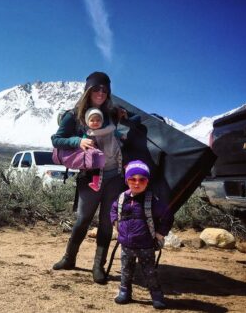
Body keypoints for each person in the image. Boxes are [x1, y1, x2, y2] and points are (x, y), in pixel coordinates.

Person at [51, 71, 126, 284]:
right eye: (96, 88)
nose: (101, 93)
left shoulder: (112, 113)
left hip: (114, 176)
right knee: (83, 218)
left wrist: (126, 116)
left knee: (105, 221)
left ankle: (98, 266)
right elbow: (56, 139)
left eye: (105, 89)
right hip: (90, 175)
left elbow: (130, 125)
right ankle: (69, 258)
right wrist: (78, 142)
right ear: (88, 90)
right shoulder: (74, 115)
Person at [110, 160, 173, 309]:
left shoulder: (152, 201)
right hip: (126, 244)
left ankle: (156, 296)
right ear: (127, 181)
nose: (137, 183)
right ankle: (125, 292)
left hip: (146, 245)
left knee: (149, 272)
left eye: (141, 180)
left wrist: (160, 233)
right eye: (132, 179)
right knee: (125, 271)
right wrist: (116, 224)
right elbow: (113, 211)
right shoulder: (121, 199)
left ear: (147, 181)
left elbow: (168, 216)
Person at [83, 107, 125, 191]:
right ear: (87, 122)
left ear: (102, 121)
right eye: (92, 120)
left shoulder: (108, 129)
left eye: (98, 120)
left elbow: (115, 132)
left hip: (112, 153)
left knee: (121, 158)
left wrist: (122, 136)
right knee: (96, 169)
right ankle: (96, 184)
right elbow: (84, 141)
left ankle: (124, 175)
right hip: (97, 156)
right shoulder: (88, 133)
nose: (95, 122)